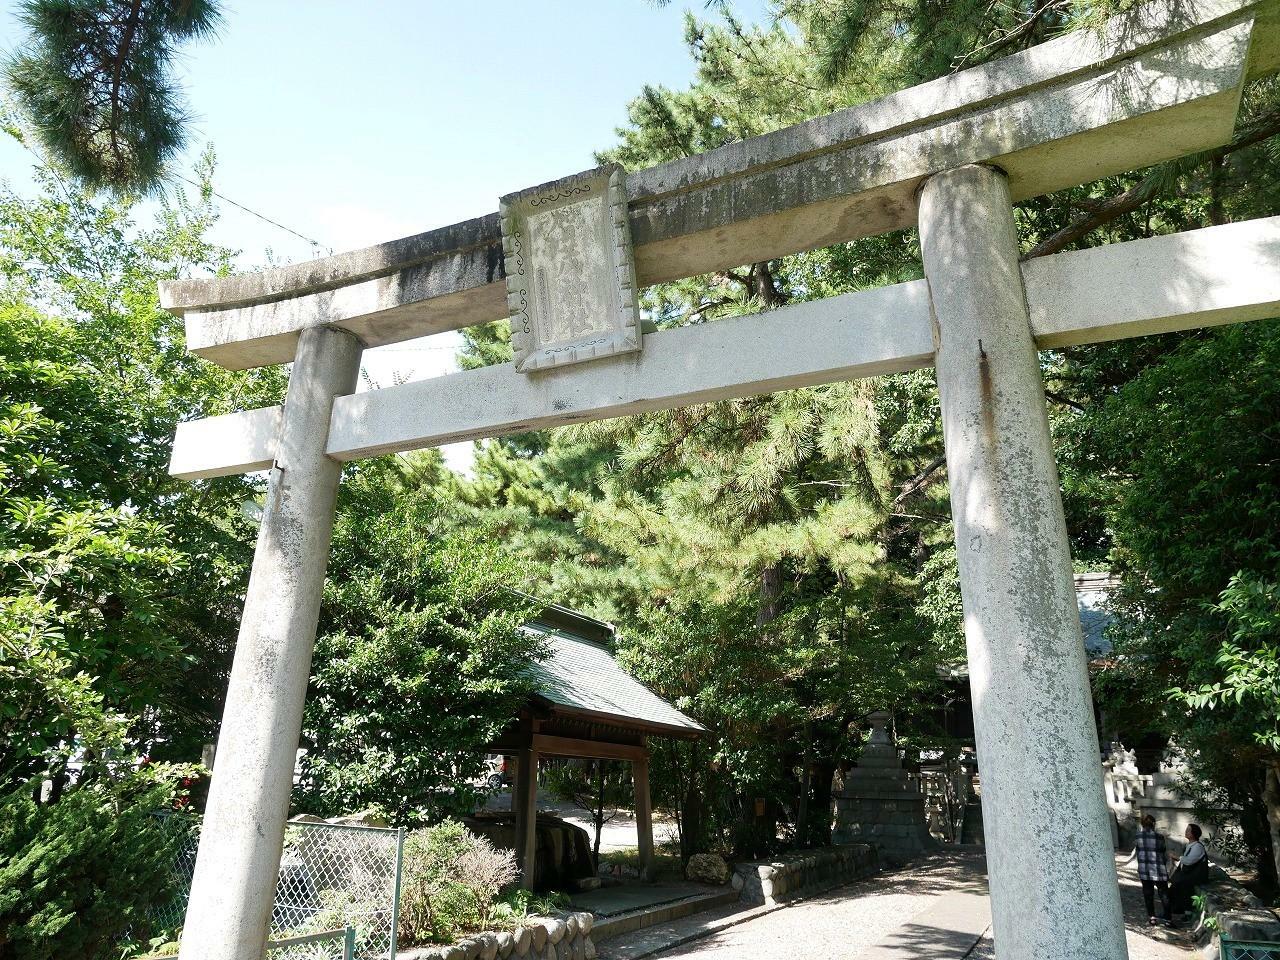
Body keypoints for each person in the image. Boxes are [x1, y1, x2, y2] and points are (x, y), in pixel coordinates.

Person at [1168, 823, 1210, 926]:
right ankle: (1175, 909)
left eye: (1188, 830)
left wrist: (1177, 857)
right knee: (1174, 882)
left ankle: (1187, 912)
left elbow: (1189, 861)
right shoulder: (1190, 845)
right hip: (1188, 873)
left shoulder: (1197, 847)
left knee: (1183, 884)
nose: (1186, 832)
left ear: (1193, 833)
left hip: (1196, 875)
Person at [1132, 814, 1171, 924]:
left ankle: (1152, 918)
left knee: (1148, 894)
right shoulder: (1160, 837)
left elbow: (1138, 851)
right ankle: (1168, 919)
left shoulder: (1138, 836)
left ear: (1142, 824)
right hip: (1159, 870)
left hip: (1145, 870)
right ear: (1154, 824)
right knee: (1164, 894)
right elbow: (1163, 853)